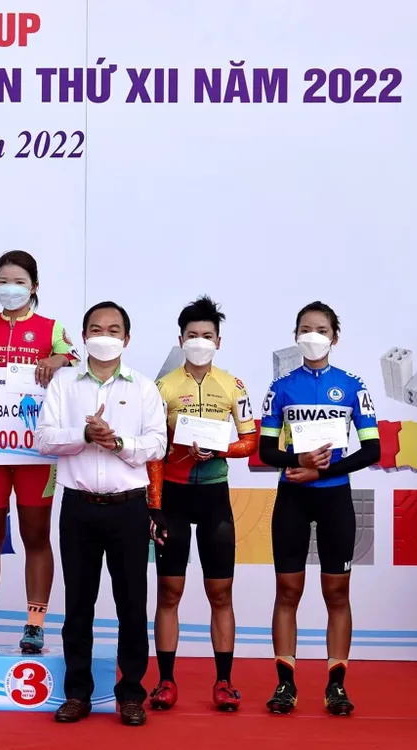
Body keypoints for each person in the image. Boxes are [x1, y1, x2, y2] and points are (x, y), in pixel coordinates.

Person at [34, 302, 167, 727]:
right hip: (78, 507)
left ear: (126, 339)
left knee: (132, 605)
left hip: (128, 508)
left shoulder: (143, 387)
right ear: (84, 336)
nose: (104, 336)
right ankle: (77, 693)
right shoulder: (64, 383)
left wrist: (119, 443)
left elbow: (157, 444)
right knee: (78, 604)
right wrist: (84, 434)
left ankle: (131, 694)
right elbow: (43, 438)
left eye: (113, 329)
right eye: (95, 328)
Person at [258, 301, 380, 717]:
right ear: (296, 336)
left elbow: (373, 449)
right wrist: (298, 463)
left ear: (334, 338)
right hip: (292, 497)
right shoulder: (281, 387)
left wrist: (321, 471)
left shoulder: (352, 386)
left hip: (335, 498)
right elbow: (266, 450)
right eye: (306, 329)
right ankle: (285, 684)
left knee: (337, 592)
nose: (313, 336)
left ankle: (336, 686)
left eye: (321, 330)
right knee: (287, 591)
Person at [0, 250, 78, 655]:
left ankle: (34, 625)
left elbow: (76, 360)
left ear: (34, 287)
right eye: (3, 281)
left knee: (36, 535)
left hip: (35, 453)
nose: (9, 289)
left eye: (18, 282)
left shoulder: (51, 327)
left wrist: (57, 358)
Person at [145, 296, 257, 712]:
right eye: (192, 335)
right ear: (180, 340)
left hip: (214, 498)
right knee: (169, 592)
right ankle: (166, 682)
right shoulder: (162, 387)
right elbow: (154, 452)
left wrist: (221, 448)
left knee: (220, 593)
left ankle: (224, 682)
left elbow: (250, 440)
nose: (199, 342)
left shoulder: (233, 385)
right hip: (173, 497)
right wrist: (154, 505)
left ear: (218, 341)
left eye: (207, 336)